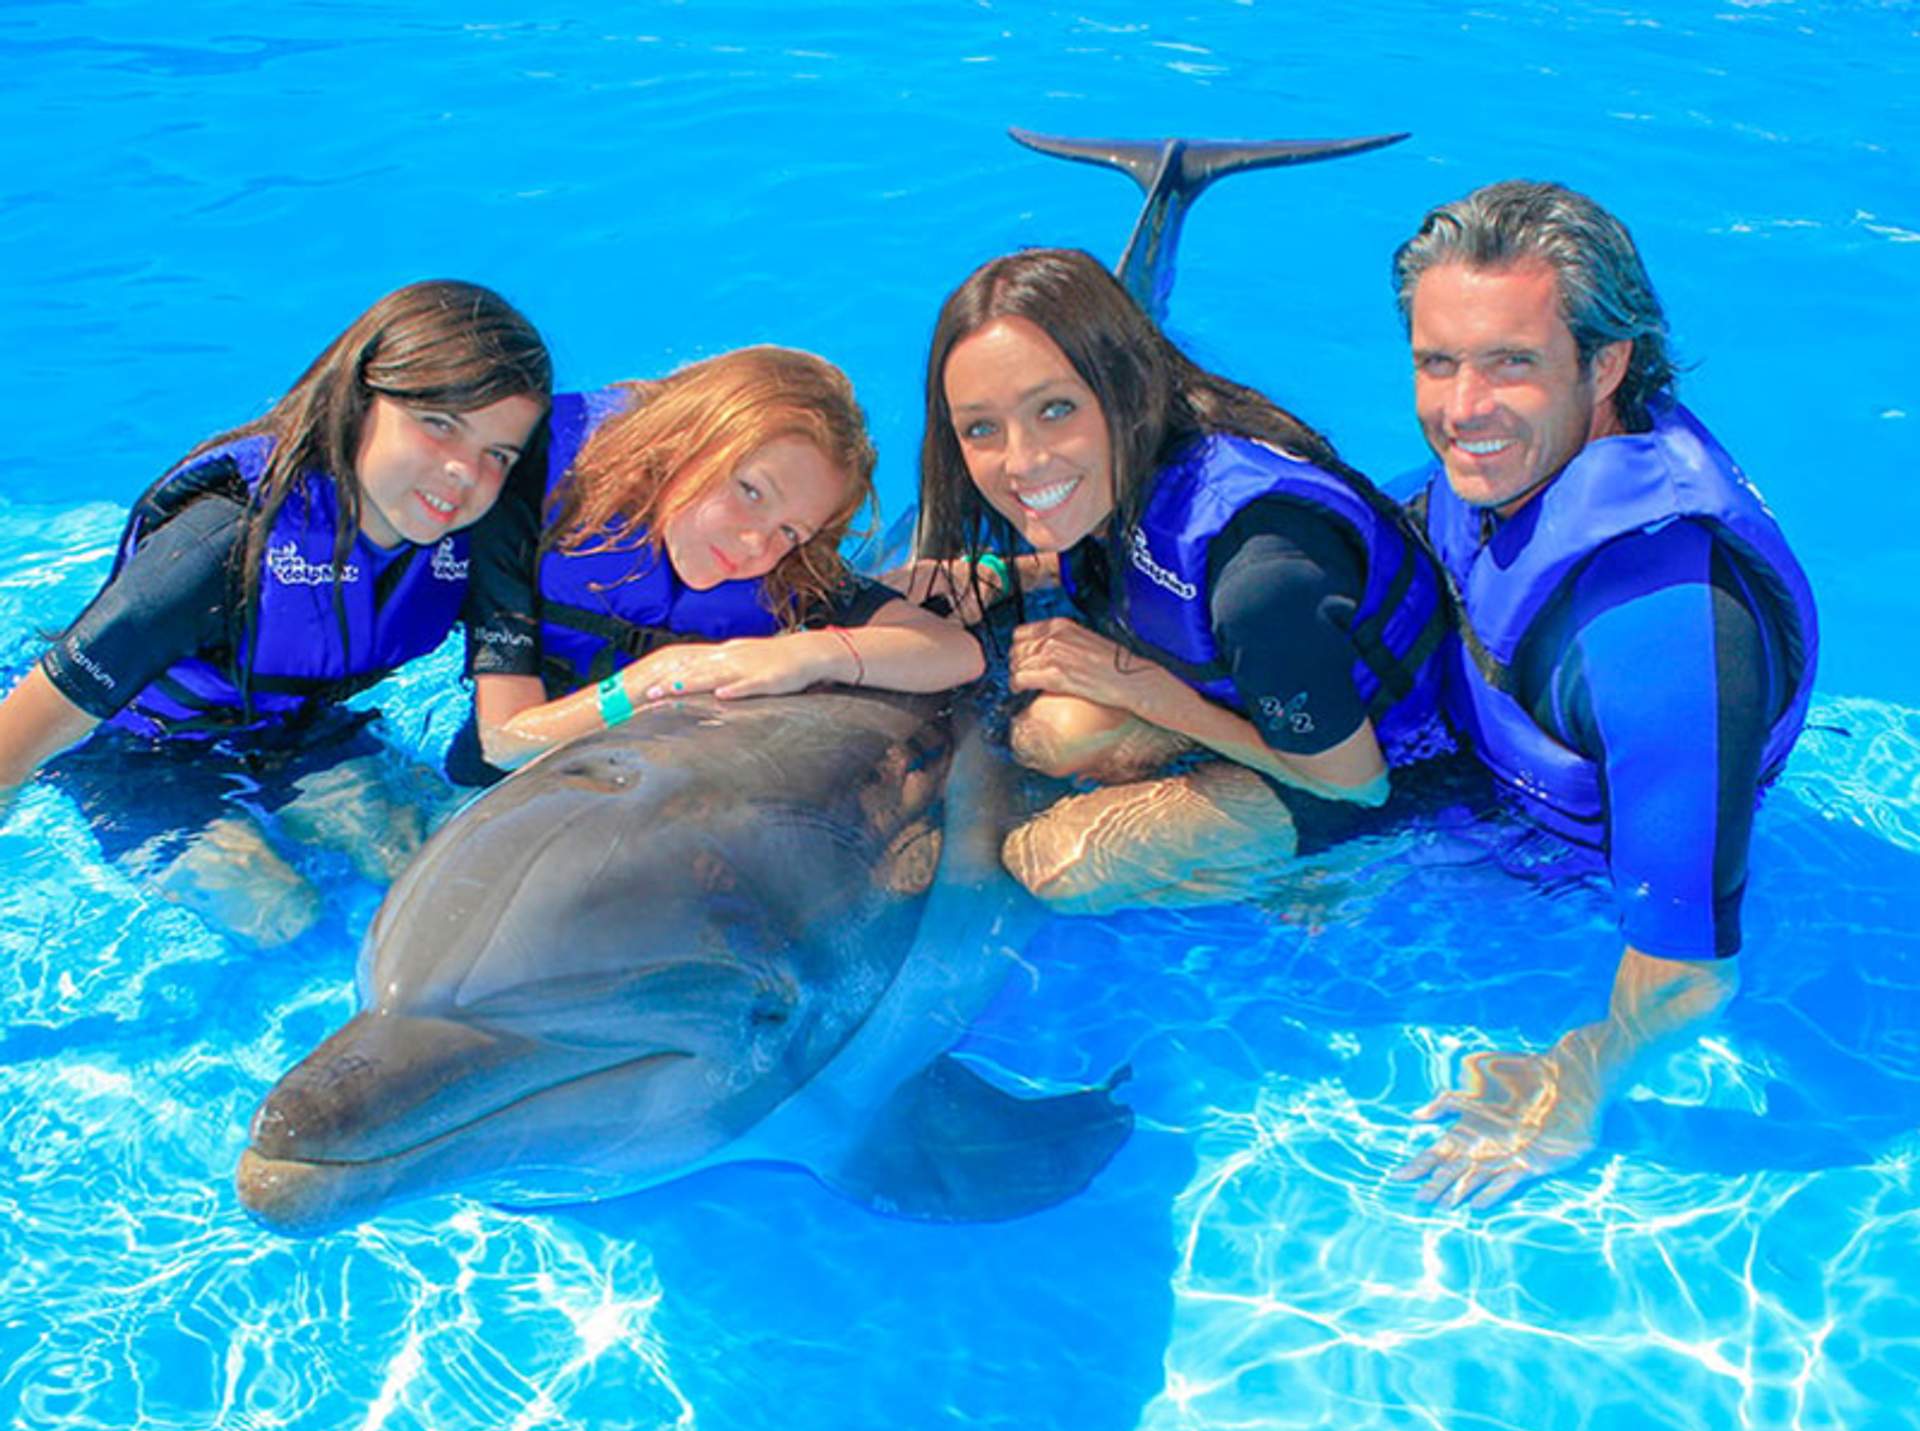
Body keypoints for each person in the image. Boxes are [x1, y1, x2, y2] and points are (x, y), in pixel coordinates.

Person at [1387, 180, 1818, 1210]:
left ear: (1607, 363)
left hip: (1562, 881)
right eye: (1437, 362)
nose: (1461, 409)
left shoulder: (1662, 636)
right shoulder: (1516, 460)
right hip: (1477, 786)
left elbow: (1688, 971)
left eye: (1510, 364)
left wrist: (1577, 1073)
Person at [899, 247, 1453, 913]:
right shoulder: (1145, 456)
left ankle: (1332, 869)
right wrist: (1001, 573)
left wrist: (1154, 695)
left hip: (1393, 767)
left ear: (1124, 388)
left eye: (1055, 409)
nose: (1020, 461)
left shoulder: (1261, 577)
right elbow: (1147, 561)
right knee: (1051, 733)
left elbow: (1359, 782)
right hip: (1271, 703)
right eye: (982, 428)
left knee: (1056, 867)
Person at [0, 279, 552, 942]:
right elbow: (21, 736)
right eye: (439, 425)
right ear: (360, 400)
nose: (465, 473)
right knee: (282, 917)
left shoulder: (467, 544)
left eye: (497, 454)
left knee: (433, 878)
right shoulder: (222, 543)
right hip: (139, 751)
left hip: (294, 728)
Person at [454, 345, 983, 778]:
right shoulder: (539, 498)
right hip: (533, 721)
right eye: (751, 490)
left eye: (791, 531)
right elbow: (505, 741)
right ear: (686, 444)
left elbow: (955, 652)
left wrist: (811, 654)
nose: (756, 545)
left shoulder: (784, 572)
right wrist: (644, 683)